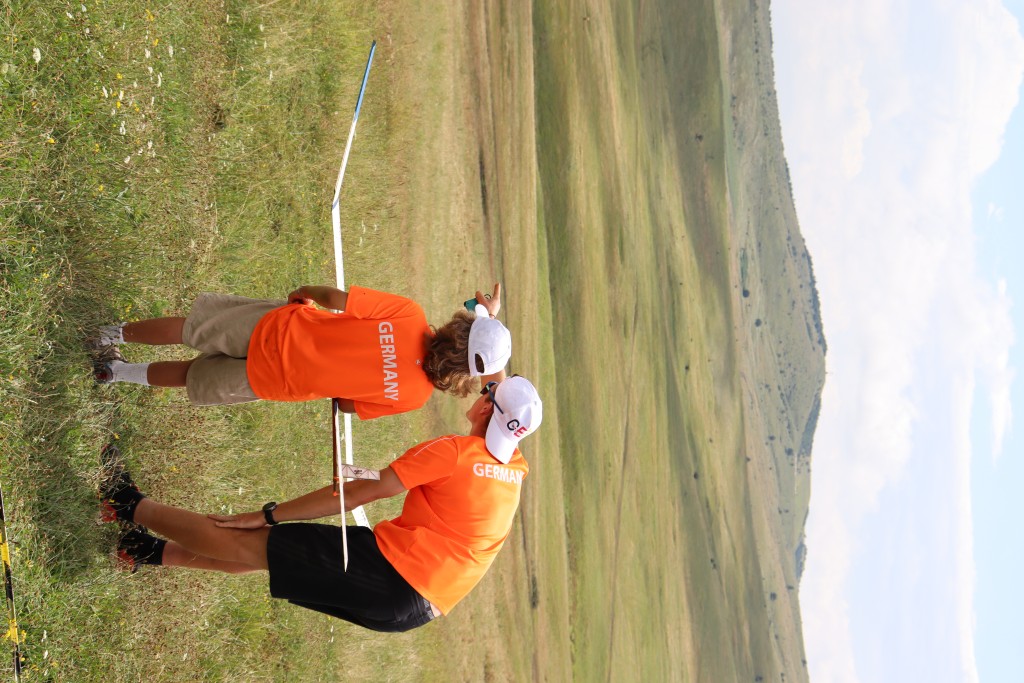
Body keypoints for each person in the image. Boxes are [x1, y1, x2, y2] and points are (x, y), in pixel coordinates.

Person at [100, 375, 543, 632]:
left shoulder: (454, 452)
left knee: (256, 539)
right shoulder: (514, 468)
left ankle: (126, 502)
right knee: (276, 557)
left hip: (392, 575)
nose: (481, 393)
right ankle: (145, 552)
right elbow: (505, 404)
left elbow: (359, 493)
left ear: (485, 408)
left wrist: (269, 513)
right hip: (412, 606)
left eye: (486, 392)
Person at [92, 284, 510, 419]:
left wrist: (304, 293)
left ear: (461, 326)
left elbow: (338, 297)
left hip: (276, 328)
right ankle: (115, 374)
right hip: (276, 380)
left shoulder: (409, 314)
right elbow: (347, 405)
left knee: (191, 329)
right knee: (190, 376)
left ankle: (109, 332)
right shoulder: (414, 397)